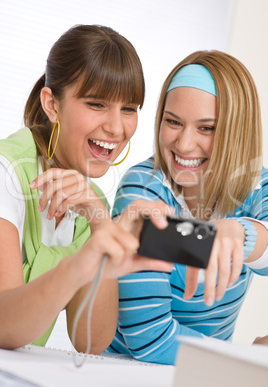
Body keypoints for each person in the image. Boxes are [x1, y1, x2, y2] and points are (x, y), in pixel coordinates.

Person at [0, 24, 173, 352]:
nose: (116, 127)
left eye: (129, 108)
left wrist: (100, 222)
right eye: (96, 104)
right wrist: (80, 263)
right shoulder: (6, 171)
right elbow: (4, 327)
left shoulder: (86, 197)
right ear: (52, 105)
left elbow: (91, 341)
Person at [108, 50, 268, 365]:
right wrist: (246, 358)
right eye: (173, 122)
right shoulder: (143, 188)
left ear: (236, 131)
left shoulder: (256, 185)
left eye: (206, 128)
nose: (183, 144)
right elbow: (150, 339)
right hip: (125, 374)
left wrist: (240, 234)